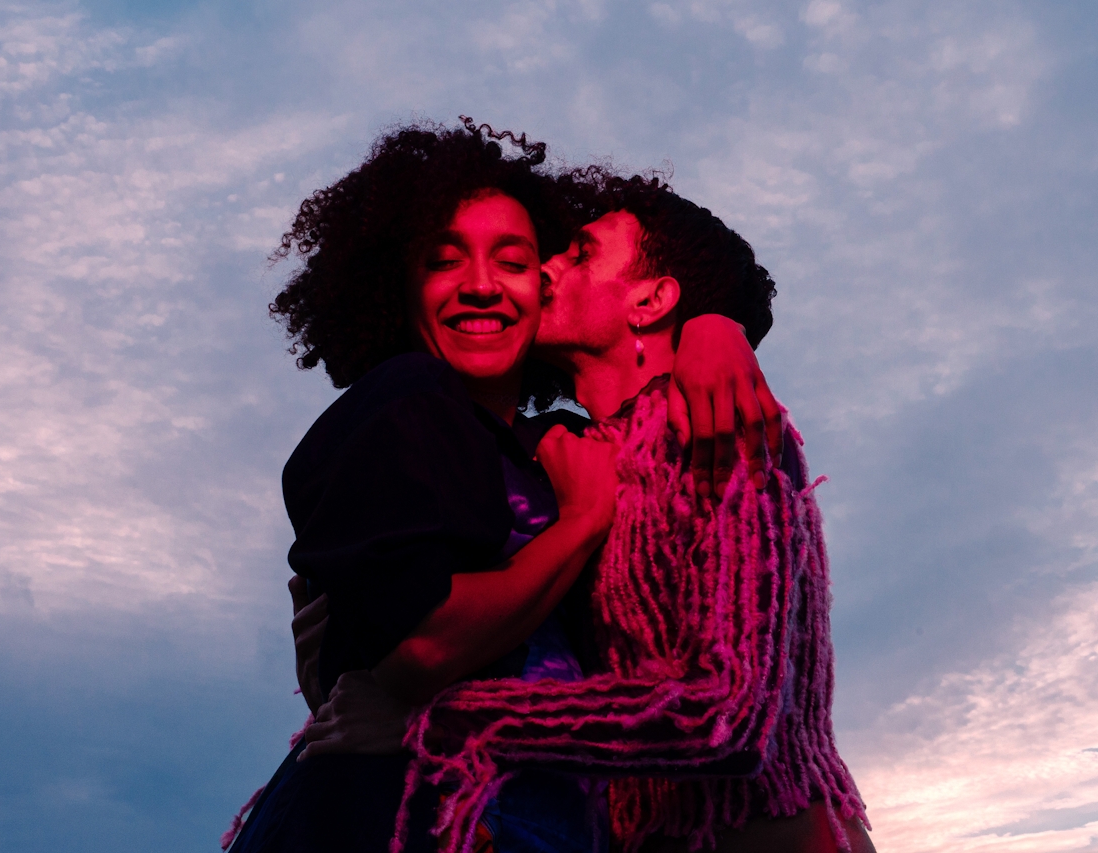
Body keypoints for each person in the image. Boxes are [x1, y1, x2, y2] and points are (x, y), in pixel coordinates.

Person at [225, 119, 782, 853]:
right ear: (399, 286)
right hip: (400, 818)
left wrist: (717, 323)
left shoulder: (570, 445)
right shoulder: (405, 400)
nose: (486, 284)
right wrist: (579, 524)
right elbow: (418, 650)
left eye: (520, 260)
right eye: (443, 260)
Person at [299, 175, 876, 853]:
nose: (545, 268)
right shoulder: (568, 459)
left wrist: (441, 720)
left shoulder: (722, 424)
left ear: (653, 299)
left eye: (578, 253)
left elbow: (729, 716)